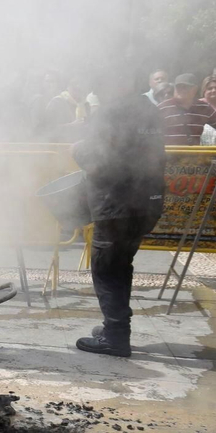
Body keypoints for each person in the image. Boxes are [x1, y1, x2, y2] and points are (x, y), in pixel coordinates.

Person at [72, 76, 166, 358]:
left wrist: (76, 149)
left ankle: (115, 337)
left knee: (107, 268)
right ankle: (114, 327)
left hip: (116, 204)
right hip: (147, 202)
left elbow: (97, 161)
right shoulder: (151, 110)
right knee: (122, 265)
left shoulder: (111, 113)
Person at [156, 74, 216, 146]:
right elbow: (151, 133)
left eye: (185, 87)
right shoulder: (162, 108)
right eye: (178, 87)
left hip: (195, 155)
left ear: (195, 89)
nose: (181, 89)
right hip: (168, 155)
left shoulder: (203, 107)